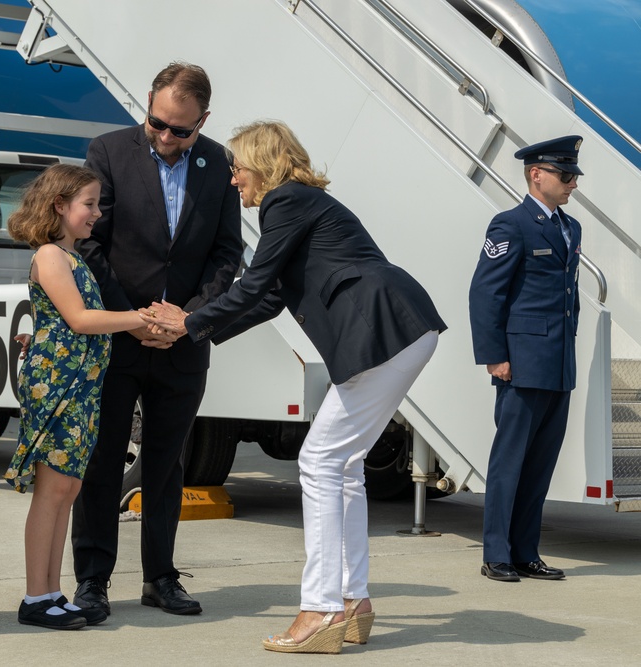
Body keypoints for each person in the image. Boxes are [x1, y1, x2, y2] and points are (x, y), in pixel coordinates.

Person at [141, 120, 446, 654]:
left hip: (384, 330)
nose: (234, 180)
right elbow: (268, 299)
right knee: (342, 466)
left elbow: (255, 283)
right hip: (399, 329)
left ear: (263, 164)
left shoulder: (286, 201)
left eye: (237, 168)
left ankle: (320, 609)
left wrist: (186, 325)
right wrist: (193, 330)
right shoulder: (302, 205)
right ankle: (352, 603)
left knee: (320, 462)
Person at [70, 61, 242, 617]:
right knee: (102, 463)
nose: (166, 137)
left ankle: (160, 578)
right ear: (148, 104)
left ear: (204, 121)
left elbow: (226, 252)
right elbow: (92, 245)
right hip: (120, 336)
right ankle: (93, 579)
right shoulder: (110, 150)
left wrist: (186, 319)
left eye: (181, 130)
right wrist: (134, 318)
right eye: (158, 122)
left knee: (167, 466)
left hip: (184, 342)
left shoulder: (219, 163)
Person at [3, 164, 147, 630]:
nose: (96, 214)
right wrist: (139, 319)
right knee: (51, 492)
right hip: (59, 387)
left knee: (66, 490)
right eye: (89, 204)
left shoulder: (72, 257)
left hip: (80, 386)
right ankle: (35, 596)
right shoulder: (50, 255)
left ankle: (50, 591)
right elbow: (80, 319)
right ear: (59, 206)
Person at [469, 136, 583, 583]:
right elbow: (486, 293)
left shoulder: (570, 227)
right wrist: (494, 356)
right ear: (537, 174)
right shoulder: (510, 224)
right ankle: (497, 553)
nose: (573, 183)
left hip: (557, 363)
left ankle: (525, 553)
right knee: (510, 461)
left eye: (574, 175)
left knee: (540, 465)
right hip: (519, 362)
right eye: (565, 174)